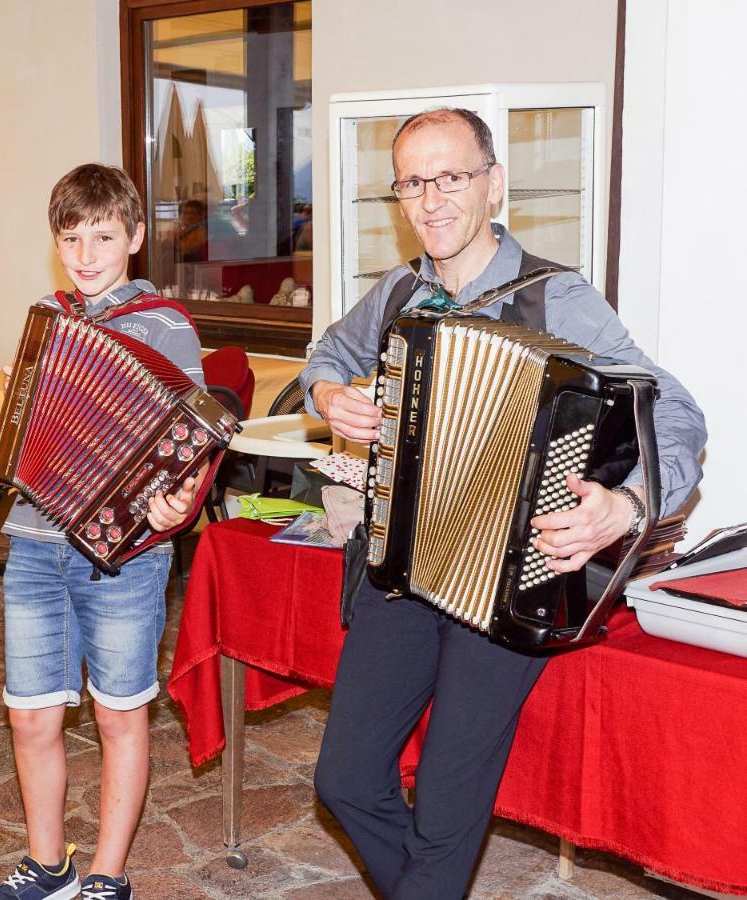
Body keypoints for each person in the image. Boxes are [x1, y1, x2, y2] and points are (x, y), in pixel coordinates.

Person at [301, 108, 706, 899]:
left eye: (451, 176)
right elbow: (330, 354)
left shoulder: (557, 298)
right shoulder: (397, 293)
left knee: (448, 804)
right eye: (413, 182)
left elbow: (677, 412)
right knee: (345, 777)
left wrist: (625, 507)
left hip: (511, 581)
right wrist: (328, 393)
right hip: (406, 564)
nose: (432, 199)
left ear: (494, 184)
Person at [0, 163, 205, 900]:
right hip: (35, 541)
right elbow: (29, 429)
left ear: (136, 237)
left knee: (119, 714)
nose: (85, 254)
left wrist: (181, 502)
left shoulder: (164, 326)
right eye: (71, 237)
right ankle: (47, 865)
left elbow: (196, 437)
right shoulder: (48, 320)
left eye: (103, 236)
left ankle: (107, 875)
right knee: (31, 716)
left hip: (125, 554)